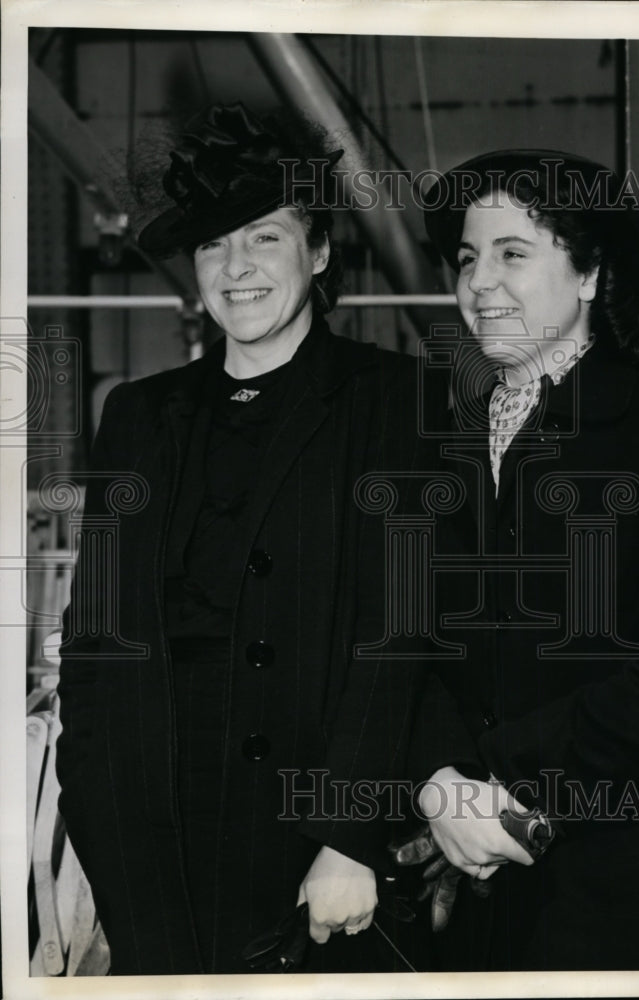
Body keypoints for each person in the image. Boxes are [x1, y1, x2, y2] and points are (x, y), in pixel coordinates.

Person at [55, 102, 446, 975]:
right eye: (212, 244)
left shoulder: (393, 401)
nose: (235, 268)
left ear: (317, 252)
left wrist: (349, 837)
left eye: (263, 238)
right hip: (153, 856)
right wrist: (102, 821)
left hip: (314, 860)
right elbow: (97, 643)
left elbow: (402, 635)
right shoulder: (138, 415)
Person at [399, 150, 639, 971]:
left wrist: (491, 778)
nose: (479, 281)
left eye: (511, 254)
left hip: (623, 890)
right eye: (465, 258)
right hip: (459, 883)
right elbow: (395, 644)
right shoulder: (430, 441)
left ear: (591, 274)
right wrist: (436, 784)